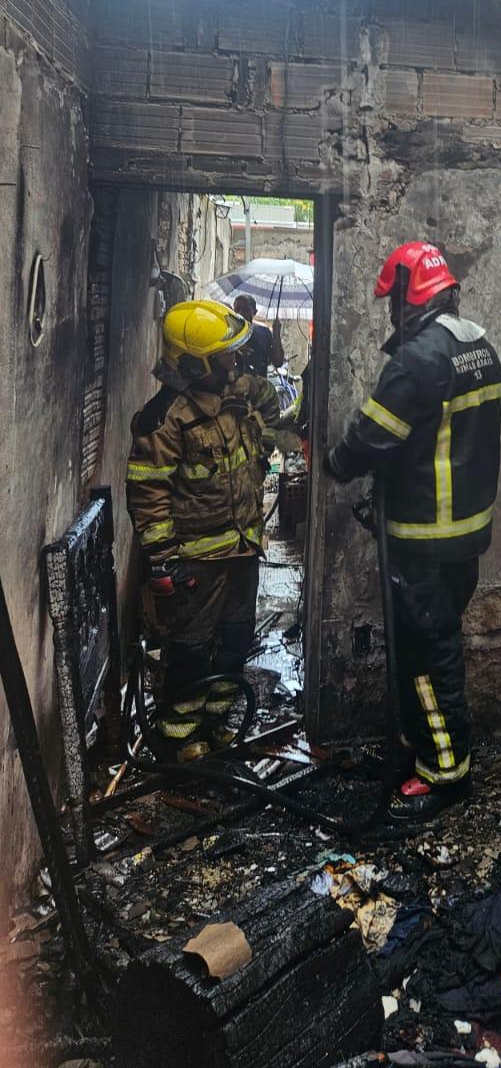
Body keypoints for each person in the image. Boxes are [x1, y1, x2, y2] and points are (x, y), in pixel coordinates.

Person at [325, 242, 501, 821]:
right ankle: (420, 740)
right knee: (433, 643)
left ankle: (445, 772)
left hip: (422, 537)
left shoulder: (417, 361)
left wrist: (333, 462)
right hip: (466, 535)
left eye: (390, 303)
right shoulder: (479, 346)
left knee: (428, 656)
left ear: (409, 297)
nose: (388, 315)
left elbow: (370, 440)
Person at [125, 300, 280, 760]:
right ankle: (178, 741)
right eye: (225, 356)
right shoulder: (164, 419)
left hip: (241, 549)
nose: (234, 362)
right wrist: (163, 561)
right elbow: (148, 497)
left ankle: (215, 726)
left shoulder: (235, 392)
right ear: (195, 363)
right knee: (190, 652)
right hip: (195, 561)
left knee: (235, 641)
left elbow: (271, 400)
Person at [232, 293, 285, 378]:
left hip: (259, 386)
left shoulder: (264, 332)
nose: (241, 313)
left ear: (255, 312)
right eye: (237, 309)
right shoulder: (229, 333)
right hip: (236, 386)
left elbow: (278, 362)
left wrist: (277, 334)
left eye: (246, 310)